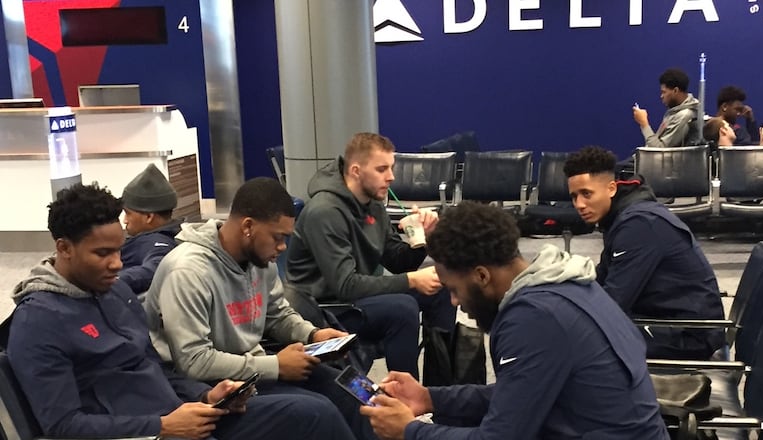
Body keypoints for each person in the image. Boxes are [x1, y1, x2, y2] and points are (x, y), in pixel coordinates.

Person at [6, 183, 354, 440]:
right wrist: (161, 426)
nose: (116, 264)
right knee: (311, 412)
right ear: (64, 249)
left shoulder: (114, 293)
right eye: (101, 254)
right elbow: (62, 425)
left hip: (181, 413)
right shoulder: (38, 322)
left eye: (119, 251)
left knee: (316, 409)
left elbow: (156, 367)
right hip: (150, 431)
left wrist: (206, 396)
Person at [360, 202, 669, 440]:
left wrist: (410, 432)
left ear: (481, 275)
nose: (453, 301)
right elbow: (520, 391)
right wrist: (430, 398)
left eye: (454, 289)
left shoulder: (530, 319)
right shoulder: (568, 284)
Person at [144, 177, 375, 440]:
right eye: (278, 237)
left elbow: (276, 314)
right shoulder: (187, 271)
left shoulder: (260, 260)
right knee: (317, 412)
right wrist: (275, 366)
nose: (283, 247)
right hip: (213, 389)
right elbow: (193, 362)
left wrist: (312, 335)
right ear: (248, 227)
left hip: (253, 368)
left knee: (354, 388)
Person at [285, 132, 456, 378]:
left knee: (442, 288)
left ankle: (438, 393)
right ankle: (403, 401)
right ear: (356, 170)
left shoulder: (373, 203)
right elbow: (346, 285)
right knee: (402, 307)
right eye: (382, 169)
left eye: (391, 168)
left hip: (358, 298)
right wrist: (411, 280)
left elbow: (396, 262)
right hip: (326, 307)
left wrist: (422, 238)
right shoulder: (325, 212)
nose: (391, 177)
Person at [564, 146, 725, 360]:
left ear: (611, 188)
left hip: (688, 334)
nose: (579, 204)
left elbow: (613, 301)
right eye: (574, 197)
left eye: (586, 194)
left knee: (575, 345)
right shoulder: (622, 218)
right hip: (661, 320)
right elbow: (600, 280)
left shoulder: (639, 225)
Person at [119, 163, 182, 296]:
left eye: (128, 213)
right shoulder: (147, 237)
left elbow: (157, 267)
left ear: (148, 217)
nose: (125, 220)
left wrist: (111, 282)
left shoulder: (159, 242)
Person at [633, 68, 701, 149]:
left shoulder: (684, 116)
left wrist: (644, 124)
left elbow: (660, 150)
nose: (661, 96)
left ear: (675, 90)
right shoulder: (675, 110)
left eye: (664, 92)